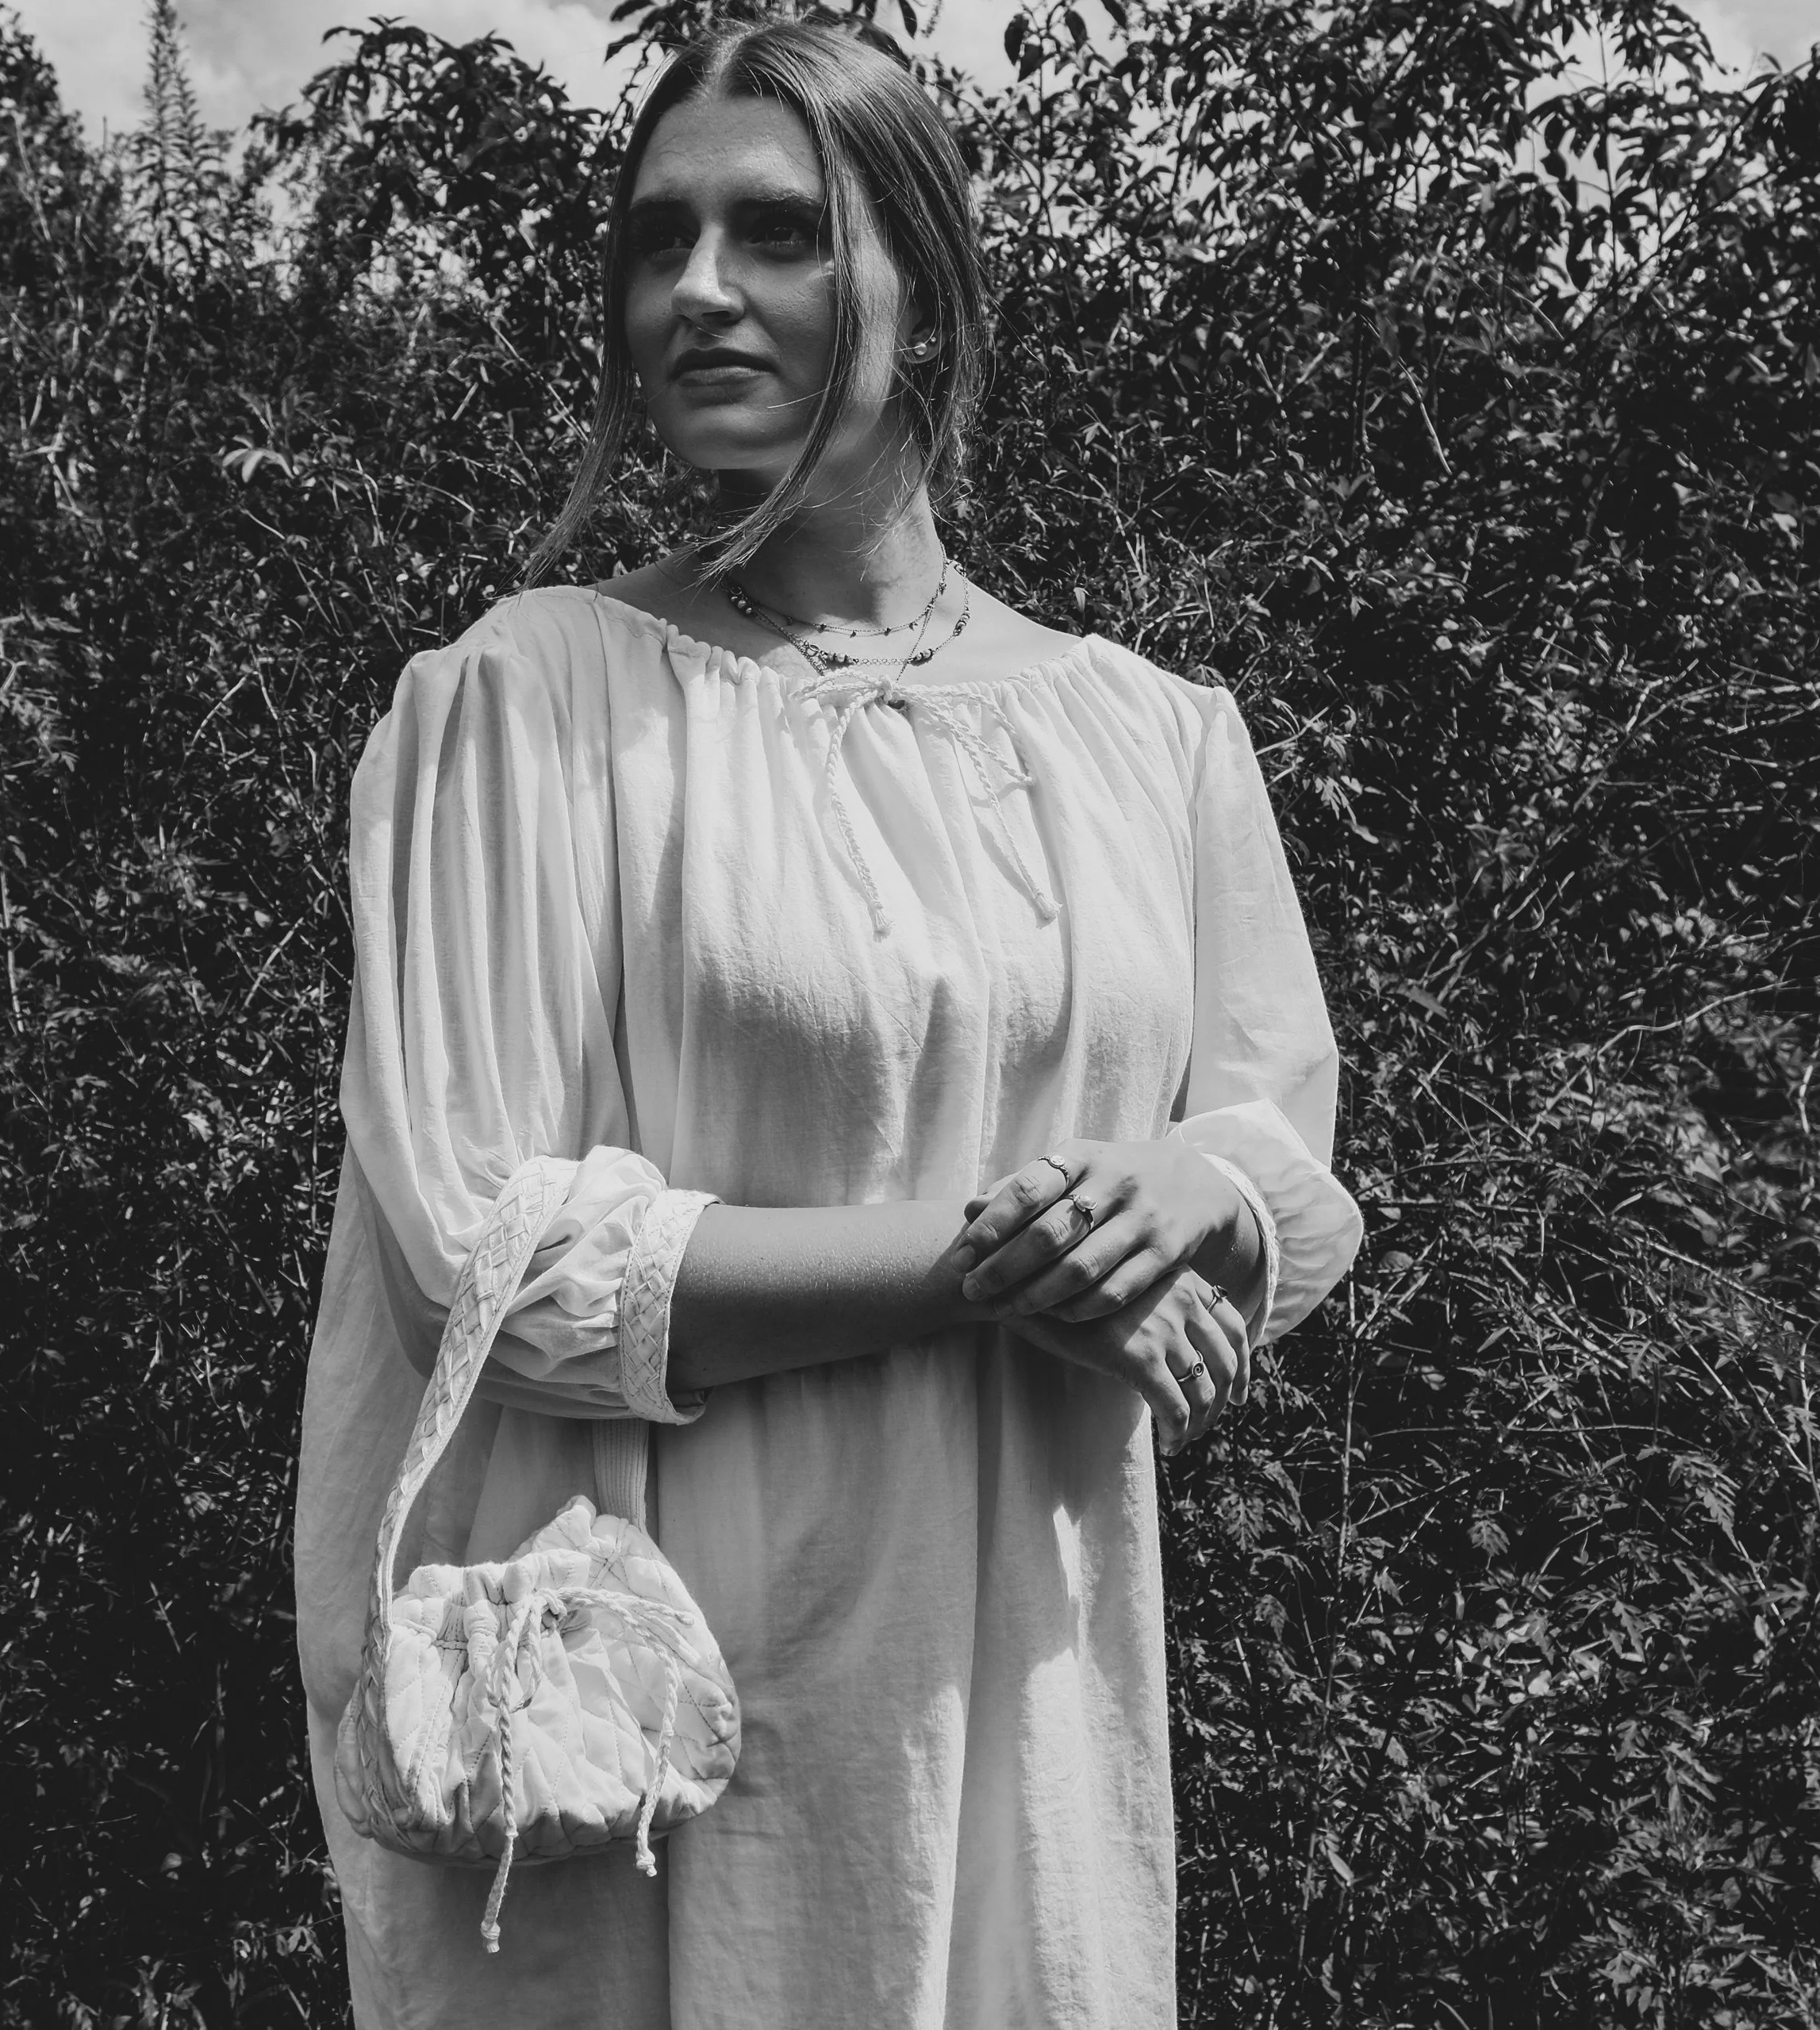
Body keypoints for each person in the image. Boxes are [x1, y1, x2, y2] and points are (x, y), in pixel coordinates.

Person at [295, 13, 1363, 2026]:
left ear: (924, 289)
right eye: (657, 239)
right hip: (654, 1742)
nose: (697, 289)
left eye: (775, 232)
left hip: (1028, 1702)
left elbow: (1278, 1160)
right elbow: (488, 1264)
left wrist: (1192, 1200)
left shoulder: (1151, 737)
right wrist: (1007, 1262)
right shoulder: (522, 702)